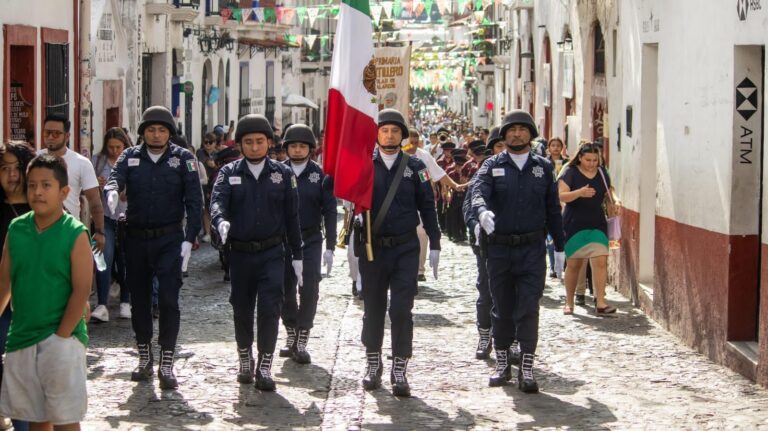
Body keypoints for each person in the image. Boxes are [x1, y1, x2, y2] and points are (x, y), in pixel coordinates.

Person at [104, 106, 202, 390]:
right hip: (135, 238)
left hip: (170, 239)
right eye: (150, 130)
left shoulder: (183, 159)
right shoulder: (130, 156)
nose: (156, 135)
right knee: (140, 301)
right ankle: (144, 356)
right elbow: (115, 177)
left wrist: (189, 238)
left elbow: (195, 202)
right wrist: (111, 191)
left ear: (169, 132)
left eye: (161, 130)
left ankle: (167, 360)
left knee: (169, 301)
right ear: (142, 132)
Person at [470, 109, 564, 393]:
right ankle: (502, 363)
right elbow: (478, 192)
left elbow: (552, 209)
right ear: (503, 134)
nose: (517, 134)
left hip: (532, 250)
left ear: (531, 134)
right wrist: (481, 211)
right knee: (502, 309)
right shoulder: (492, 165)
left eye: (523, 129)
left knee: (528, 308)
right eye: (511, 130)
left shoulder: (543, 167)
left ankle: (526, 366)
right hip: (499, 250)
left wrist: (560, 247)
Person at [0, 154, 92, 430]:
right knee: (36, 419)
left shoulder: (74, 233)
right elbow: (4, 283)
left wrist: (59, 339)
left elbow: (81, 290)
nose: (37, 192)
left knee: (65, 419)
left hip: (63, 339)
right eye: (32, 185)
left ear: (64, 192)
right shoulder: (17, 229)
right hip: (22, 336)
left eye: (46, 185)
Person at [210, 114, 302, 390]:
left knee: (270, 308)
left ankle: (265, 365)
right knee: (241, 307)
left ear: (269, 143)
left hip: (272, 252)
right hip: (240, 253)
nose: (254, 146)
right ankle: (244, 358)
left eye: (259, 141)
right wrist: (219, 221)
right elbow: (217, 202)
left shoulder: (283, 174)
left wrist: (297, 256)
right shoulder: (229, 173)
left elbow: (292, 217)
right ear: (240, 145)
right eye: (248, 142)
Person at [358, 109, 441, 397]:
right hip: (372, 247)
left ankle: (400, 367)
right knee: (374, 308)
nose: (389, 135)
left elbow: (427, 206)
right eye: (384, 130)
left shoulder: (415, 166)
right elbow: (337, 187)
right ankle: (372, 362)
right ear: (376, 134)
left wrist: (436, 242)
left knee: (402, 309)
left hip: (406, 247)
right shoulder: (364, 164)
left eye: (395, 131)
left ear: (402, 135)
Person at [278, 124, 337, 364]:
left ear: (310, 149)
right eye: (293, 145)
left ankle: (303, 336)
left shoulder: (320, 176)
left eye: (303, 146)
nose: (298, 149)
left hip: (311, 238)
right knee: (285, 288)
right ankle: (290, 331)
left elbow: (331, 210)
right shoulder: (277, 172)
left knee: (309, 287)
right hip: (282, 241)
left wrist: (331, 246)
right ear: (286, 148)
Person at [558, 143, 619, 316]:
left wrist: (616, 200)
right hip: (574, 223)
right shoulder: (570, 172)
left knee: (600, 261)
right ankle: (569, 302)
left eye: (595, 160)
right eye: (588, 160)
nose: (592, 163)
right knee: (574, 264)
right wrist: (579, 193)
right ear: (579, 158)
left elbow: (609, 191)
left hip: (597, 222)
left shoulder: (601, 172)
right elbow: (561, 195)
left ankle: (600, 302)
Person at [0, 142, 34, 431]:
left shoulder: (41, 208)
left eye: (16, 168)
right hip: (0, 300)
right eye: (4, 169)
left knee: (23, 371)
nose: (11, 175)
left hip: (32, 302)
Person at [41, 113, 106, 252]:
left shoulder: (81, 163)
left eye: (56, 133)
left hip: (69, 231)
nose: (51, 137)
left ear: (67, 136)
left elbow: (94, 200)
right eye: (47, 133)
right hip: (39, 231)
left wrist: (100, 232)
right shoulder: (34, 159)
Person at [91, 128, 132, 322]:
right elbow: (89, 192)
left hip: (127, 219)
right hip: (105, 219)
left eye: (118, 147)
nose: (115, 151)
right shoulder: (97, 161)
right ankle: (102, 304)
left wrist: (127, 191)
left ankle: (126, 301)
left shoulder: (132, 161)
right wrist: (97, 185)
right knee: (103, 260)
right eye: (111, 147)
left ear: (125, 145)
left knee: (125, 261)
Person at [462, 136, 497, 361]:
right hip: (485, 243)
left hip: (514, 241)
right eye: (498, 147)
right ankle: (484, 335)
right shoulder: (483, 173)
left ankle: (511, 341)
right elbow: (468, 205)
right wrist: (475, 225)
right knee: (486, 291)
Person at [546, 137, 569, 279]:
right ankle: (553, 266)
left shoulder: (567, 163)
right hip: (549, 202)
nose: (555, 148)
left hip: (563, 202)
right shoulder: (543, 163)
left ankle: (563, 263)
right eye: (553, 145)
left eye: (558, 145)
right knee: (550, 238)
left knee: (563, 234)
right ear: (549, 147)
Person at [197, 133, 219, 243]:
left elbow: (221, 168)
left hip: (214, 183)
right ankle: (207, 232)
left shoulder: (218, 154)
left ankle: (215, 230)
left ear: (215, 143)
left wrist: (214, 166)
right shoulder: (200, 153)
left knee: (213, 208)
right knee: (205, 208)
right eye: (206, 142)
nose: (208, 145)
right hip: (203, 184)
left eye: (210, 142)